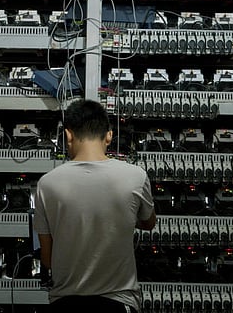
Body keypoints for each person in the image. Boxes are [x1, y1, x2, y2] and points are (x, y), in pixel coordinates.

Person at [33, 99, 156, 313]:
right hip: (119, 302)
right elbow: (148, 223)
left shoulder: (47, 183)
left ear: (68, 135)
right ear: (109, 135)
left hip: (65, 302)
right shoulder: (136, 176)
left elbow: (47, 259)